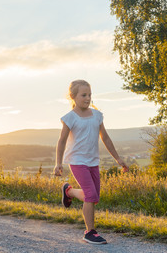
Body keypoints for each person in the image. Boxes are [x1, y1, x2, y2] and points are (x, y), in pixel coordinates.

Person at [53, 80, 129, 245]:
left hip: (93, 161)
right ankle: (90, 232)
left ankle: (69, 192)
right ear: (73, 97)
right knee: (91, 195)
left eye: (89, 95)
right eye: (83, 95)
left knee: (94, 198)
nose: (87, 98)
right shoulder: (70, 117)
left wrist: (118, 158)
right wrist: (58, 163)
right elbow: (61, 141)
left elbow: (106, 138)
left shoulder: (97, 115)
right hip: (77, 161)